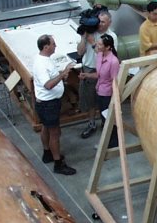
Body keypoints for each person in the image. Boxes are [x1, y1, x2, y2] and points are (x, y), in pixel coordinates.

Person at [33, 34, 76, 175]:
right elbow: (49, 85)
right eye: (53, 44)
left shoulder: (45, 59)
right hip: (48, 104)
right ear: (46, 47)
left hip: (48, 103)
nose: (55, 46)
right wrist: (63, 74)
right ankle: (58, 164)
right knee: (55, 133)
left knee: (46, 127)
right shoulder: (41, 64)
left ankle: (47, 153)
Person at [77, 10, 118, 139]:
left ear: (109, 23)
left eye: (103, 22)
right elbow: (80, 52)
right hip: (88, 68)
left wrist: (93, 42)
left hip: (102, 73)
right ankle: (91, 123)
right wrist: (84, 37)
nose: (99, 24)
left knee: (103, 102)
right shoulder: (90, 32)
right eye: (98, 21)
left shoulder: (111, 37)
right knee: (89, 100)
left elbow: (107, 55)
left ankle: (106, 125)